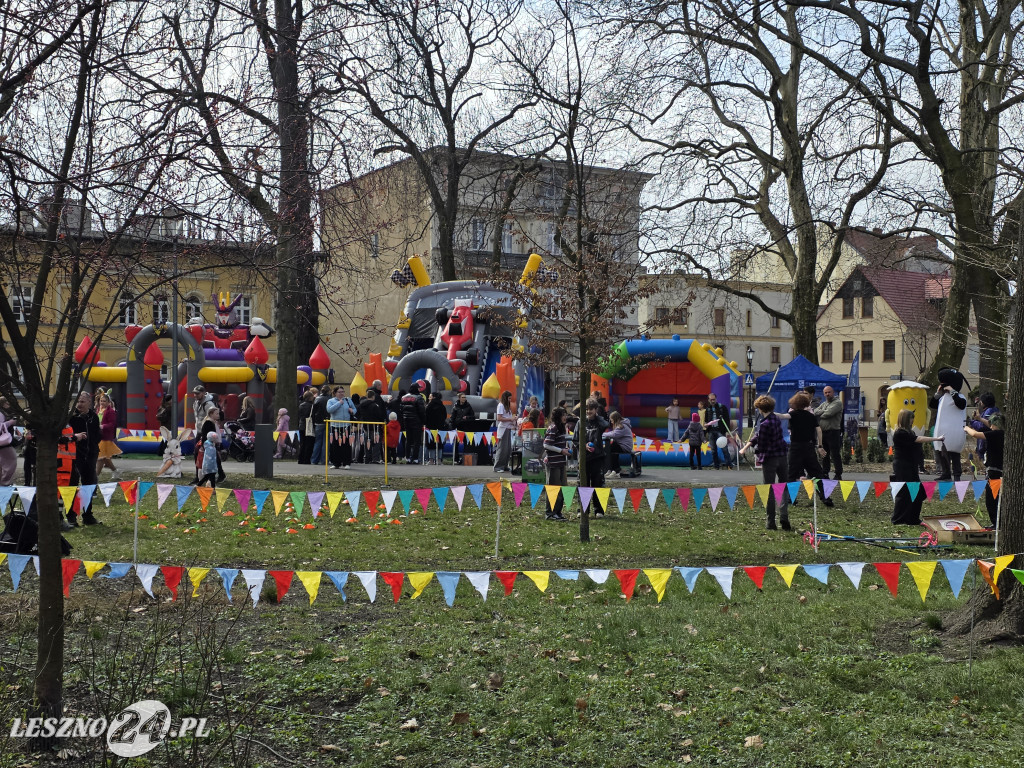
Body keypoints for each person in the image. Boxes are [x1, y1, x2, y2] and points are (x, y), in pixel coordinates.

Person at [742, 395, 790, 530]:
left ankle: (771, 522)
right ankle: (784, 517)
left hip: (770, 459)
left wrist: (753, 451)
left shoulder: (764, 424)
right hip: (782, 456)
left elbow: (762, 444)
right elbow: (759, 435)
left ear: (760, 409)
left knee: (769, 489)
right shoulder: (775, 419)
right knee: (783, 486)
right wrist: (748, 444)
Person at [891, 409, 944, 525]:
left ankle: (913, 518)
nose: (912, 421)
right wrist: (936, 439)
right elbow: (918, 439)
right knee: (905, 492)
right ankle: (899, 519)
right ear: (905, 419)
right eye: (911, 418)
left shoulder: (910, 432)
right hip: (903, 466)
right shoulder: (900, 433)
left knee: (918, 492)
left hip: (911, 465)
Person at [784, 392, 833, 507]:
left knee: (791, 474)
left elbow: (782, 416)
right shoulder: (811, 416)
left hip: (796, 448)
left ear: (795, 403)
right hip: (808, 447)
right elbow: (819, 430)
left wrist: (769, 412)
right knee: (817, 473)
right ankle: (825, 498)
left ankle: (790, 499)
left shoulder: (793, 414)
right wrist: (820, 446)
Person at [67, 391, 101, 526]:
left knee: (89, 485)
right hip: (75, 455)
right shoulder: (71, 417)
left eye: (82, 402)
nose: (79, 404)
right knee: (72, 485)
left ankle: (88, 516)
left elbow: (96, 435)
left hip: (91, 455)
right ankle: (71, 516)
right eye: (77, 402)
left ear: (89, 403)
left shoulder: (94, 417)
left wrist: (93, 448)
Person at [966, 415, 1003, 527]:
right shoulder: (1005, 433)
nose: (990, 426)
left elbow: (975, 434)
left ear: (996, 424)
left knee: (991, 500)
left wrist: (966, 428)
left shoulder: (995, 434)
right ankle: (998, 522)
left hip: (994, 472)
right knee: (998, 499)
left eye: (992, 424)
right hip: (1000, 471)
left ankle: (996, 523)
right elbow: (990, 424)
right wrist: (979, 419)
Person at [576, 400, 609, 516]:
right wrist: (584, 446)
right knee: (583, 484)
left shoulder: (599, 422)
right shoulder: (580, 422)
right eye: (586, 409)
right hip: (584, 458)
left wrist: (598, 417)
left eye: (591, 409)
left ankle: (598, 510)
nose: (588, 411)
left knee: (598, 483)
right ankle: (583, 509)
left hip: (597, 457)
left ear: (595, 410)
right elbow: (575, 440)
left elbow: (606, 425)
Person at [542, 407, 570, 521]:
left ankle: (558, 512)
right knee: (553, 488)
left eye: (565, 414)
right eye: (563, 415)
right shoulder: (553, 428)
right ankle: (550, 513)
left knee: (562, 488)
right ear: (558, 416)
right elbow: (546, 444)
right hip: (553, 463)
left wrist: (566, 449)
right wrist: (561, 450)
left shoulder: (562, 428)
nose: (565, 417)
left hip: (561, 462)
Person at [814, 385, 844, 481]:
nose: (827, 394)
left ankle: (838, 474)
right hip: (823, 433)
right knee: (824, 454)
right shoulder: (824, 403)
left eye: (829, 392)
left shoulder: (838, 403)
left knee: (835, 454)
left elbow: (828, 414)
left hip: (833, 432)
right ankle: (825, 472)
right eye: (825, 393)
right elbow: (814, 411)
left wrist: (820, 413)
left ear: (833, 392)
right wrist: (822, 411)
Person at [95, 391, 122, 480]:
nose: (102, 402)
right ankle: (115, 471)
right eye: (101, 401)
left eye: (104, 401)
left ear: (108, 402)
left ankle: (95, 477)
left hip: (106, 437)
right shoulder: (99, 410)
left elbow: (112, 424)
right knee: (104, 458)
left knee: (100, 457)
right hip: (99, 436)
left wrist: (102, 426)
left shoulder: (110, 411)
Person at [326, 385, 355, 469]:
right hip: (335, 426)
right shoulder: (331, 401)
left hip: (346, 425)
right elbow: (329, 410)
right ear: (335, 393)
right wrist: (339, 403)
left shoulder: (348, 400)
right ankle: (336, 463)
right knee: (335, 444)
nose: (341, 393)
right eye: (339, 392)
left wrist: (352, 411)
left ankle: (347, 463)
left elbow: (354, 409)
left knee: (346, 444)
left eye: (343, 392)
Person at [401, 384, 427, 464]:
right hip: (416, 421)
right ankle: (415, 458)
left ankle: (407, 458)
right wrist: (424, 421)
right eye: (418, 388)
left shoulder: (404, 397)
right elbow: (421, 411)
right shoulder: (419, 397)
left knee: (408, 440)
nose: (419, 390)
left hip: (406, 421)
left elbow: (401, 409)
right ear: (416, 389)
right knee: (417, 440)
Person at [602, 411, 634, 477]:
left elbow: (614, 434)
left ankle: (615, 470)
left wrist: (602, 434)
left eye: (612, 420)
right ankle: (611, 469)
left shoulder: (622, 426)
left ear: (615, 419)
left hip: (625, 447)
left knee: (610, 449)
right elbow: (613, 433)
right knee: (611, 447)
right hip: (624, 445)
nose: (611, 422)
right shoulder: (622, 425)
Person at [704, 393, 729, 470]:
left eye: (714, 399)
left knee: (724, 449)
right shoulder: (707, 409)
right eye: (711, 400)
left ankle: (729, 465)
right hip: (711, 431)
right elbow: (706, 420)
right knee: (713, 450)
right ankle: (716, 466)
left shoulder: (722, 407)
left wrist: (726, 430)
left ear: (716, 399)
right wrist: (706, 425)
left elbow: (727, 420)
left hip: (720, 430)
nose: (712, 401)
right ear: (708, 400)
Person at [493, 390, 516, 472]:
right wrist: (510, 419)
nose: (510, 400)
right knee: (502, 448)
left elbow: (507, 417)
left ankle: (505, 465)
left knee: (508, 449)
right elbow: (499, 418)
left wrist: (513, 420)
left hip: (508, 428)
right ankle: (498, 467)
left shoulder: (507, 406)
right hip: (503, 429)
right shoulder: (501, 405)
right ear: (505, 398)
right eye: (509, 398)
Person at [451, 392, 475, 464]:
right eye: (462, 397)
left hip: (466, 427)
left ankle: (465, 459)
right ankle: (456, 459)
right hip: (458, 427)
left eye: (465, 397)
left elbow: (473, 416)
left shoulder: (468, 406)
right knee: (456, 444)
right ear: (459, 398)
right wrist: (452, 426)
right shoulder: (455, 407)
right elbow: (452, 418)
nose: (464, 399)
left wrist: (467, 417)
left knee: (466, 443)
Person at [0, 397, 18, 486]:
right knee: (12, 459)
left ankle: (3, 483)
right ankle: (5, 483)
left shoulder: (3, 412)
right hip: (3, 442)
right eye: (8, 403)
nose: (9, 405)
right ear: (3, 403)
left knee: (3, 461)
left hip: (3, 442)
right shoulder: (1, 413)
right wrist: (10, 422)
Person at [310, 385, 330, 465]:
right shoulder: (330, 399)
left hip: (318, 422)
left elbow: (313, 412)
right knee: (326, 442)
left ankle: (314, 460)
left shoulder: (317, 399)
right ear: (328, 391)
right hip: (328, 421)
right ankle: (324, 460)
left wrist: (313, 421)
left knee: (317, 441)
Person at [296, 388, 316, 464]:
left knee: (302, 443)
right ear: (310, 397)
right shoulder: (312, 406)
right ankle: (306, 459)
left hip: (302, 425)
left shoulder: (301, 405)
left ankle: (300, 459)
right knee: (309, 444)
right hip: (309, 425)